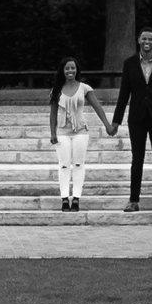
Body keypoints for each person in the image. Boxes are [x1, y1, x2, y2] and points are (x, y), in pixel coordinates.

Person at [108, 28, 152, 212]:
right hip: (137, 118)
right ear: (139, 40)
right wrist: (116, 121)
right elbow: (124, 94)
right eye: (144, 38)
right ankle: (133, 201)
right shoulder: (130, 63)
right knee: (136, 159)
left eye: (150, 39)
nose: (147, 41)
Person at [47, 57, 106, 211]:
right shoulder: (56, 90)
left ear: (77, 70)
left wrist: (107, 124)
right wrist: (52, 133)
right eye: (67, 68)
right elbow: (53, 114)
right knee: (64, 165)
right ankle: (65, 198)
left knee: (79, 164)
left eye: (73, 68)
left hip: (81, 132)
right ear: (63, 71)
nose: (70, 71)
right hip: (62, 132)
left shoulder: (85, 88)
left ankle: (77, 199)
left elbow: (97, 107)